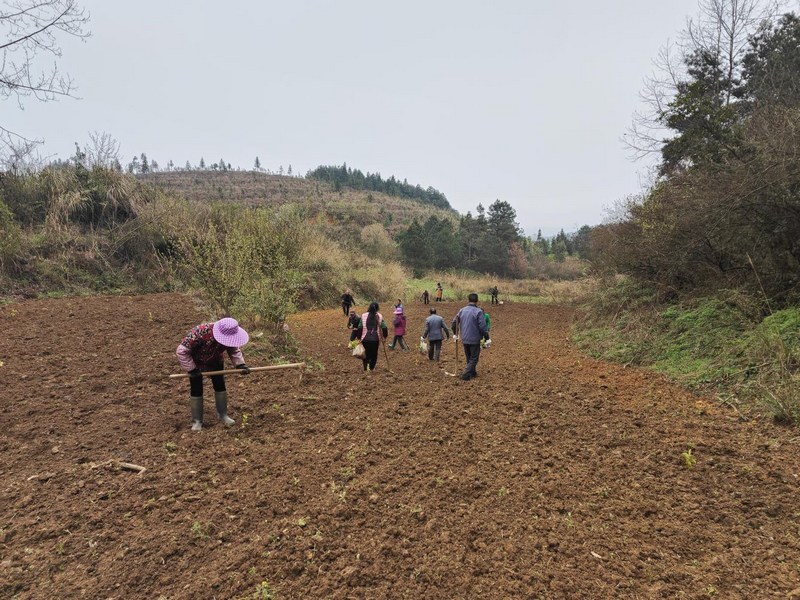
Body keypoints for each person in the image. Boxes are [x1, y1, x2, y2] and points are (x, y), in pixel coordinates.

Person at [176, 317, 250, 431]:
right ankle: (197, 421)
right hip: (196, 362)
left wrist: (240, 364)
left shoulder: (230, 336)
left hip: (215, 360)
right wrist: (191, 369)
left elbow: (234, 349)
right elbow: (181, 351)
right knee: (196, 388)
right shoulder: (199, 332)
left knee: (220, 385)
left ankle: (223, 415)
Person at [451, 293, 490, 381]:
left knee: (469, 356)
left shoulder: (461, 310)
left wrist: (455, 333)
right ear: (477, 301)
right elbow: (483, 327)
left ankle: (472, 372)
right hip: (475, 338)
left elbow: (454, 322)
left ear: (468, 300)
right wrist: (487, 338)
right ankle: (465, 374)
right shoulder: (478, 312)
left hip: (464, 338)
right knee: (474, 358)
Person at [354, 302, 389, 371]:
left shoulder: (363, 315)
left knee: (366, 354)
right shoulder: (379, 316)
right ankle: (371, 368)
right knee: (374, 355)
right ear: (377, 308)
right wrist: (385, 337)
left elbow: (360, 327)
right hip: (375, 339)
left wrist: (358, 338)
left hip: (365, 338)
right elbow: (384, 327)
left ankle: (366, 369)